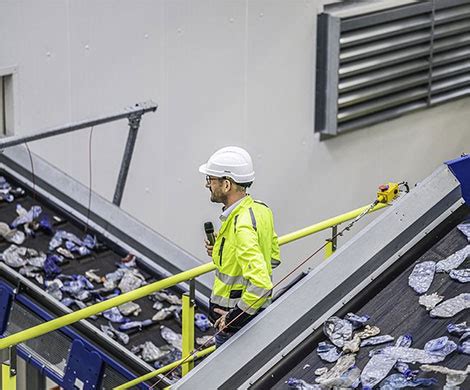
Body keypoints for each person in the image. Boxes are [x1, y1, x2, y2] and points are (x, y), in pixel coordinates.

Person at [199, 146, 280, 347]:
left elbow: (261, 283)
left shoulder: (241, 224)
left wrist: (233, 318)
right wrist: (222, 250)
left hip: (236, 329)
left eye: (211, 180)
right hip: (255, 318)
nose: (207, 185)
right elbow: (272, 258)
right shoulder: (260, 210)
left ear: (226, 184)